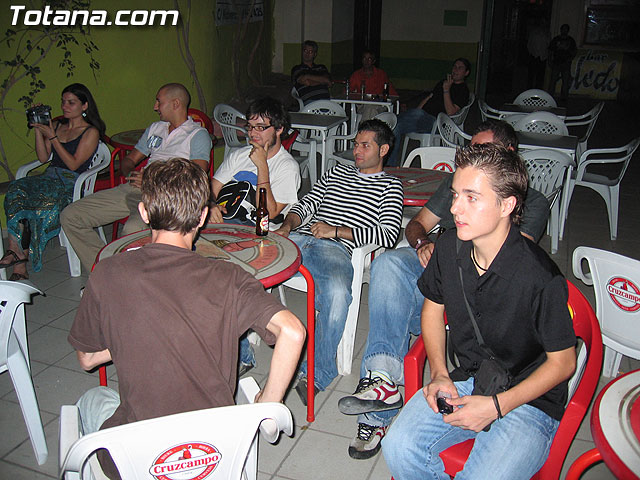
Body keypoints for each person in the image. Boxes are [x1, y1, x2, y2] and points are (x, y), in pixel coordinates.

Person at [68, 158, 305, 479]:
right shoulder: (229, 277)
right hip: (216, 451)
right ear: (203, 216)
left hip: (138, 458)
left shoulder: (107, 273)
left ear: (144, 213)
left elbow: (87, 359)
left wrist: (137, 332)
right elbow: (292, 331)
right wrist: (267, 405)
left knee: (91, 400)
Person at [338, 120, 550, 460]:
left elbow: (505, 266)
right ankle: (382, 380)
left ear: (508, 156)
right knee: (389, 264)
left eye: (483, 151)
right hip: (439, 264)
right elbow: (417, 224)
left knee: (399, 309)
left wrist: (451, 258)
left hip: (472, 285)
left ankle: (378, 412)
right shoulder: (458, 184)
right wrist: (423, 244)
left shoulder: (530, 202)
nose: (456, 204)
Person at [382, 144, 576, 479]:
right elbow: (432, 310)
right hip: (471, 378)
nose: (455, 208)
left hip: (529, 401)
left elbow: (564, 363)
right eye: (456, 195)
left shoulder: (539, 277)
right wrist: (440, 373)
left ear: (507, 205)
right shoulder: (448, 247)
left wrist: (498, 406)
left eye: (472, 197)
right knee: (398, 445)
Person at [275, 119, 403, 404]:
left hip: (334, 248)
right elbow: (307, 203)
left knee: (336, 294)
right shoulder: (337, 172)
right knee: (250, 262)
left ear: (383, 149)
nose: (356, 150)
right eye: (356, 144)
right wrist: (287, 225)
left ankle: (317, 373)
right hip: (299, 237)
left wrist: (336, 231)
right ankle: (244, 354)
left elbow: (389, 232)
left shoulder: (390, 186)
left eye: (365, 145)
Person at [60, 83, 211, 274]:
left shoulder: (197, 134)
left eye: (159, 102)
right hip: (133, 190)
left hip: (165, 197)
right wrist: (131, 172)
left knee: (131, 229)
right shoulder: (155, 128)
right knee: (71, 216)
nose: (155, 107)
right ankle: (107, 274)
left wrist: (151, 179)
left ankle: (126, 279)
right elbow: (129, 160)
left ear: (175, 104)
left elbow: (196, 175)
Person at [210, 97, 301, 374]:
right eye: (250, 127)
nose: (253, 134)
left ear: (279, 129)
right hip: (221, 232)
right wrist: (211, 205)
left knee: (225, 281)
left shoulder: (287, 167)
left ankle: (241, 354)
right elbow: (212, 188)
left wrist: (262, 166)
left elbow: (271, 214)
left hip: (259, 237)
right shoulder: (238, 156)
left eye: (261, 127)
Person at [1, 83, 105, 281]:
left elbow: (74, 165)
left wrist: (54, 138)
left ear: (84, 106)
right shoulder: (57, 126)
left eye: (71, 102)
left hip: (70, 183)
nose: (65, 106)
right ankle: (15, 251)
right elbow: (42, 158)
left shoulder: (90, 132)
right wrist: (39, 130)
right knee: (16, 190)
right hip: (49, 178)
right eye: (63, 102)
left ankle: (20, 262)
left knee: (40, 200)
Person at [386, 58, 471, 167]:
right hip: (421, 117)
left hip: (437, 123)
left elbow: (451, 112)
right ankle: (389, 165)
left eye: (460, 68)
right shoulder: (442, 82)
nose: (455, 70)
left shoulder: (463, 90)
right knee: (395, 127)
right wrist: (417, 110)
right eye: (455, 67)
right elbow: (429, 97)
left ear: (466, 73)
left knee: (396, 121)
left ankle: (390, 120)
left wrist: (446, 90)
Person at [348, 50, 398, 120]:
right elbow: (349, 92)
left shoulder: (381, 74)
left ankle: (364, 129)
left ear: (373, 61)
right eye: (364, 58)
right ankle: (368, 129)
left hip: (380, 104)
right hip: (362, 105)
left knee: (371, 108)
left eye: (369, 59)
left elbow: (391, 91)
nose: (366, 61)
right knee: (370, 108)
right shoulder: (356, 75)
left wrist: (400, 102)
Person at [291, 40, 332, 105]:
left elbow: (328, 81)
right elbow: (306, 82)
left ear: (314, 54)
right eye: (305, 51)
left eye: (310, 52)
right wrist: (321, 81)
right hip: (309, 102)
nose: (307, 54)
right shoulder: (297, 69)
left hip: (326, 100)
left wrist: (307, 76)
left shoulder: (321, 67)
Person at [548, 24, 577, 102]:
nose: (564, 31)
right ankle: (550, 96)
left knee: (565, 81)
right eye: (563, 29)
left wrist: (570, 59)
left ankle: (564, 98)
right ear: (561, 30)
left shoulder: (571, 40)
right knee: (553, 81)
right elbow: (550, 51)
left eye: (566, 29)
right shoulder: (556, 39)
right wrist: (550, 60)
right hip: (556, 63)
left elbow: (574, 51)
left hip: (566, 63)